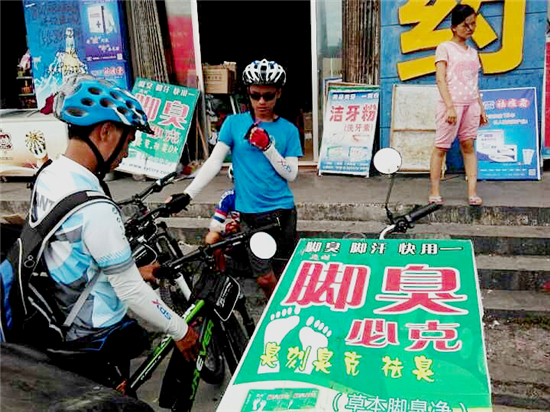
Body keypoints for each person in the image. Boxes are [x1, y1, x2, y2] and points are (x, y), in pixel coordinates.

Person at [37, 74, 198, 386]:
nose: (127, 153)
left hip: (62, 319)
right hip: (95, 337)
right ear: (106, 131)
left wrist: (132, 270)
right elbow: (130, 291)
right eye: (129, 140)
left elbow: (76, 251)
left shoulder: (50, 176)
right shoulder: (93, 205)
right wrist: (181, 330)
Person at [167, 59, 303, 298]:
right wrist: (187, 195)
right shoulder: (234, 123)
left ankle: (284, 307)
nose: (261, 102)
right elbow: (214, 162)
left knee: (284, 269)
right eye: (255, 95)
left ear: (279, 93)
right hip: (251, 215)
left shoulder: (289, 130)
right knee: (264, 277)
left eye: (268, 96)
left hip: (283, 212)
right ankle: (276, 309)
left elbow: (291, 174)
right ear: (248, 93)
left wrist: (268, 147)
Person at [429, 4, 488, 206]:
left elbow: (474, 83)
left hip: (471, 105)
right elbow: (440, 79)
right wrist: (449, 107)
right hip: (451, 105)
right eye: (465, 25)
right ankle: (434, 192)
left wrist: (481, 108)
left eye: (473, 24)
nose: (470, 29)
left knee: (468, 146)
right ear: (454, 27)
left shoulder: (473, 53)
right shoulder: (444, 48)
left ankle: (472, 193)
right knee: (441, 147)